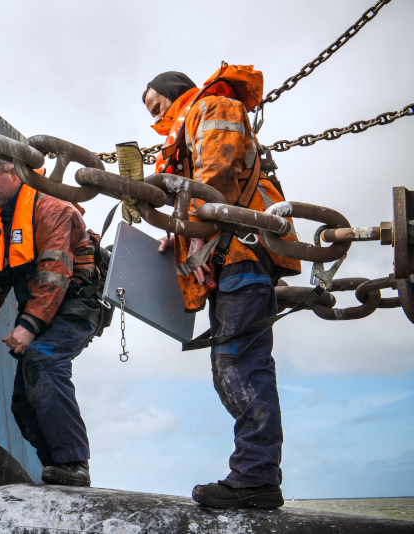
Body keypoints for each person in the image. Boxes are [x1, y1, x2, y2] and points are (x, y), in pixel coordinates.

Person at [144, 66, 302, 509]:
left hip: (242, 255)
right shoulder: (188, 122)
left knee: (238, 365)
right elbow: (201, 192)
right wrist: (181, 233)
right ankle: (256, 475)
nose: (155, 116)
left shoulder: (211, 107)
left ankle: (255, 478)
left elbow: (216, 173)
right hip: (229, 257)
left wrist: (198, 230)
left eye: (156, 105)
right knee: (234, 365)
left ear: (173, 93)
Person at [0, 153, 103, 487]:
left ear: (14, 173)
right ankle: (58, 471)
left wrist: (29, 325)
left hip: (73, 308)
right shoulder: (4, 219)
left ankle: (74, 464)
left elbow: (55, 271)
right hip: (41, 308)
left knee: (43, 364)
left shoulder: (53, 209)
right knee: (22, 402)